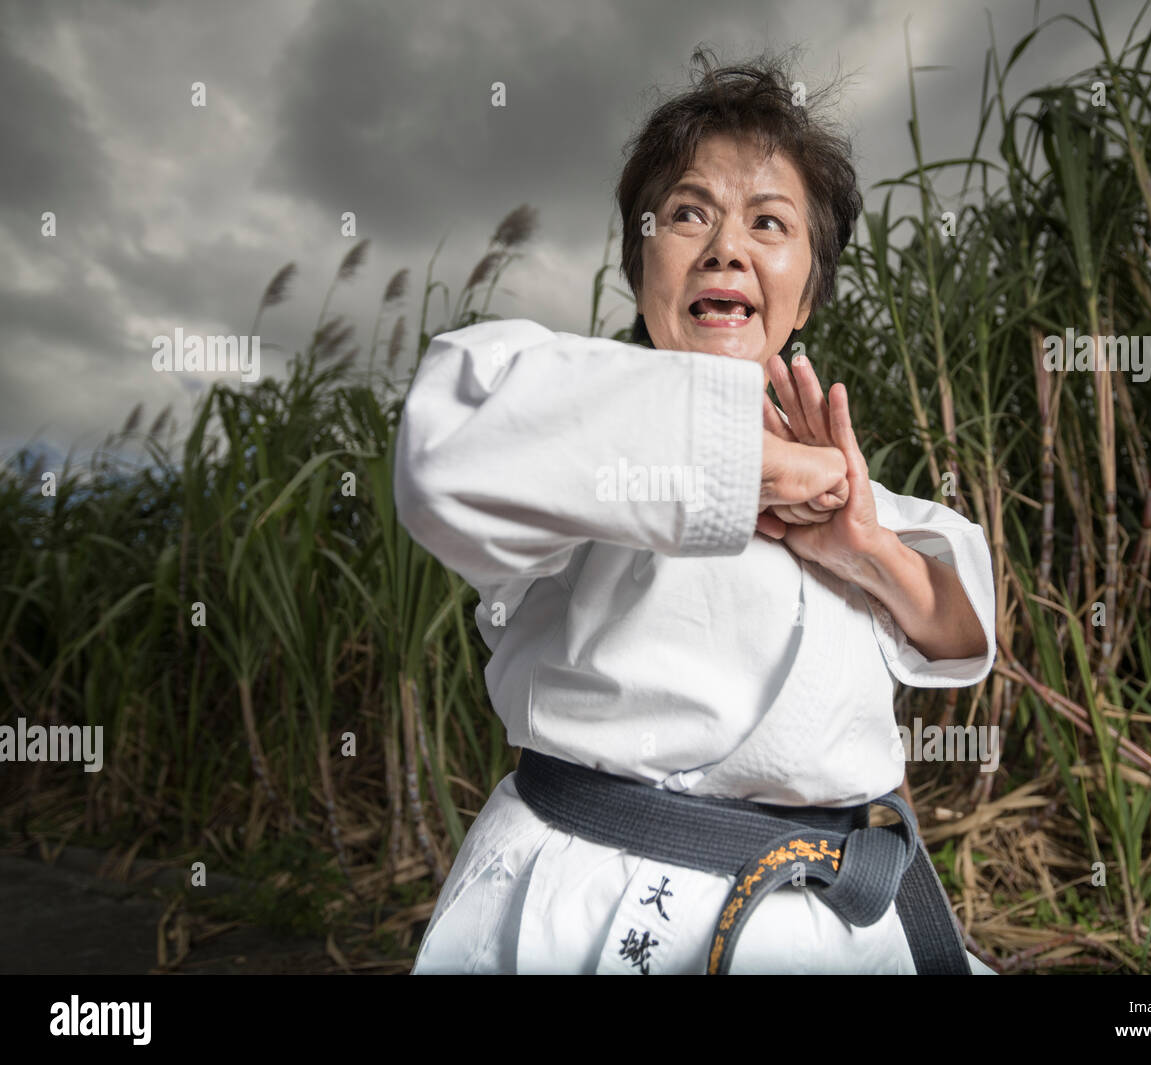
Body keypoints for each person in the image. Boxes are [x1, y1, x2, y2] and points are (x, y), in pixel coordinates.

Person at [396, 49, 997, 975]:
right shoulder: (574, 450)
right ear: (643, 271)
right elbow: (444, 449)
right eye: (687, 213)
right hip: (595, 909)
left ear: (808, 289)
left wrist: (864, 547)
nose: (727, 246)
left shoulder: (868, 502)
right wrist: (733, 462)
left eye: (770, 222)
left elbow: (960, 626)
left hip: (839, 929)